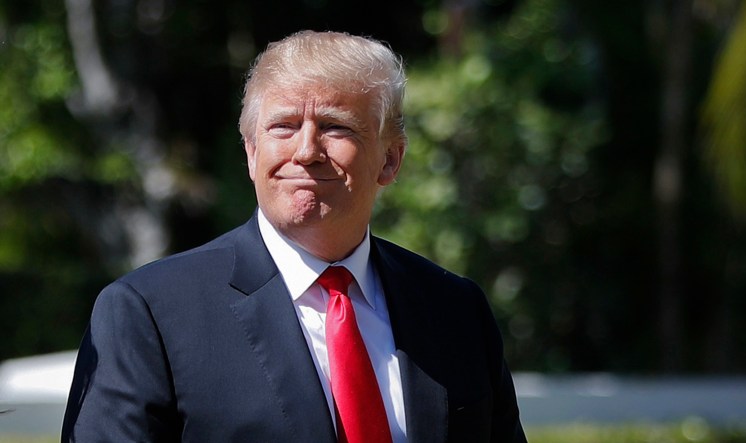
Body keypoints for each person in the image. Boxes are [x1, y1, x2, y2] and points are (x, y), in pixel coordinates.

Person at [61, 30, 528, 442]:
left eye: (335, 127)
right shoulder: (149, 313)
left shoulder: (455, 310)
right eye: (283, 126)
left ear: (390, 160)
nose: (306, 151)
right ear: (251, 152)